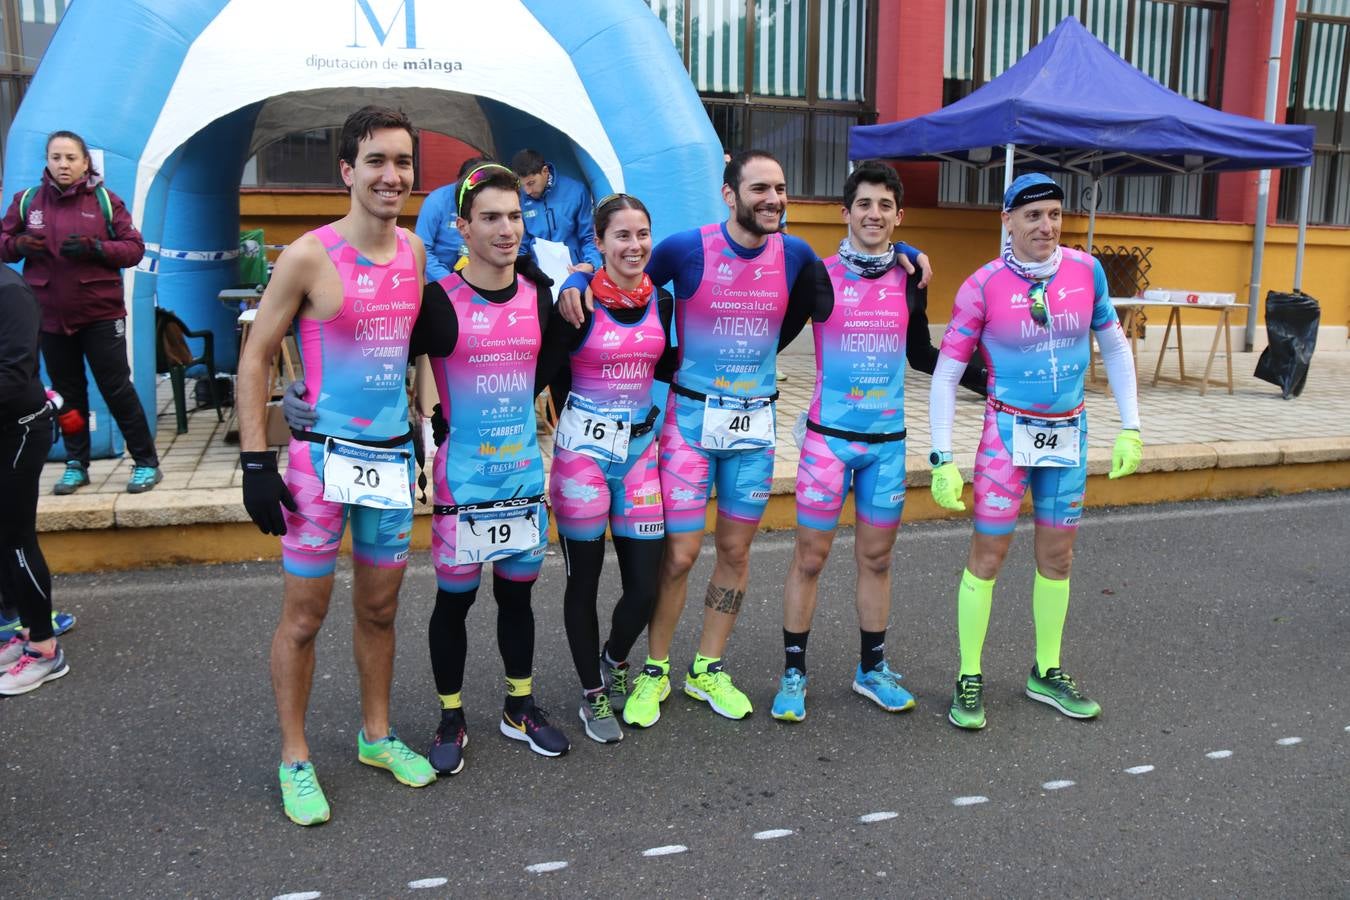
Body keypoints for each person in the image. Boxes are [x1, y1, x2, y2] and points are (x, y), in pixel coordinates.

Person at [561, 151, 863, 726]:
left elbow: (829, 289)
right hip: (690, 423)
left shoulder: (795, 253)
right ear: (730, 195)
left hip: (755, 425)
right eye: (759, 188)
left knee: (735, 551)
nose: (773, 198)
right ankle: (654, 670)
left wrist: (908, 253)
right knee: (678, 553)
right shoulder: (688, 247)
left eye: (779, 187)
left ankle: (707, 667)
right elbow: (626, 273)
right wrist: (577, 274)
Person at [237, 106, 435, 826]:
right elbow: (256, 356)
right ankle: (294, 756)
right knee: (304, 615)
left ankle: (375, 737)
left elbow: (417, 348)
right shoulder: (309, 256)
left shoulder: (414, 253)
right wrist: (256, 460)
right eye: (377, 161)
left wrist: (426, 424)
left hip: (387, 463)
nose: (392, 175)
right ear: (348, 171)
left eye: (404, 162)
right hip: (319, 465)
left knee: (380, 608)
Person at [927, 173, 1143, 731]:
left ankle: (1046, 671)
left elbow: (1114, 346)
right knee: (988, 556)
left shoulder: (1086, 270)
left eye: (1054, 214)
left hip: (1069, 434)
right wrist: (940, 455)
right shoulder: (983, 284)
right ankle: (968, 675)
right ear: (1007, 221)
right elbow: (947, 371)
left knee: (1058, 558)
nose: (1046, 225)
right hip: (1006, 436)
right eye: (1032, 216)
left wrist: (1132, 427)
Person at [412, 163, 570, 774]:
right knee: (455, 601)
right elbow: (374, 345)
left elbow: (559, 366)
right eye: (491, 218)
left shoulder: (539, 297)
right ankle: (451, 715)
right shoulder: (437, 300)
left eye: (515, 216)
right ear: (462, 227)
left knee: (517, 600)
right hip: (464, 479)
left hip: (524, 477)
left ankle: (519, 707)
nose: (507, 230)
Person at [771, 161, 934, 722]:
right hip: (827, 444)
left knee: (878, 559)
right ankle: (794, 673)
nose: (874, 214)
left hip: (886, 446)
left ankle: (872, 669)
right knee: (810, 558)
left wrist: (988, 377)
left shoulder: (911, 277)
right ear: (845, 213)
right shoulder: (818, 276)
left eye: (885, 206)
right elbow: (772, 332)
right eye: (864, 204)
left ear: (898, 216)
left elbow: (921, 355)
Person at [534, 194, 676, 743]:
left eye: (642, 234)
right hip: (582, 460)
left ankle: (615, 657)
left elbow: (670, 362)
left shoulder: (661, 301)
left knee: (646, 584)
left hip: (640, 455)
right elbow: (539, 371)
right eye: (622, 235)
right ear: (598, 242)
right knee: (584, 580)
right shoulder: (575, 304)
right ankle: (593, 693)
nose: (634, 245)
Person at [0, 130, 158, 495]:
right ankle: (76, 463)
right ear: (48, 161)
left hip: (101, 315)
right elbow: (3, 245)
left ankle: (145, 461)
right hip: (50, 318)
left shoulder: (105, 201)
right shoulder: (27, 203)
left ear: (85, 162)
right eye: (56, 157)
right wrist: (18, 243)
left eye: (71, 158)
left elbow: (133, 249)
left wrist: (95, 248)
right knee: (67, 396)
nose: (63, 165)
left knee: (116, 389)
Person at [0, 267, 77, 696]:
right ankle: (25, 631)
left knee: (16, 540)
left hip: (21, 430)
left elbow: (14, 374)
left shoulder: (9, 291)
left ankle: (45, 651)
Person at [510, 149, 602, 273]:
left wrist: (591, 264)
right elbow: (521, 246)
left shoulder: (576, 191)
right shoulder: (518, 199)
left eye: (531, 183)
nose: (527, 191)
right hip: (539, 277)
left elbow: (588, 236)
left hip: (575, 271)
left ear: (545, 171)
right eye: (523, 185)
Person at [413, 154, 493, 282]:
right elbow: (422, 250)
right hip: (440, 279)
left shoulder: (490, 201)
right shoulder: (436, 202)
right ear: (459, 182)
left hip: (480, 276)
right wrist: (450, 282)